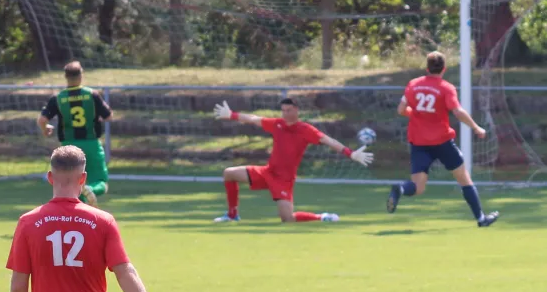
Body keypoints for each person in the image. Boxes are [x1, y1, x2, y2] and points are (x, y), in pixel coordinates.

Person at [6, 145, 151, 292]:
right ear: (83, 178)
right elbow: (125, 272)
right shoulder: (103, 221)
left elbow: (18, 285)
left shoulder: (28, 222)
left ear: (50, 177)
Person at [213, 98, 374, 223]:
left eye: (288, 110)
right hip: (267, 172)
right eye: (283, 110)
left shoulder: (306, 130)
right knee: (229, 173)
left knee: (287, 219)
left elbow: (329, 141)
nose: (285, 114)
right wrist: (231, 115)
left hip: (284, 180)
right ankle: (232, 215)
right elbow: (254, 119)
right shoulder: (277, 124)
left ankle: (321, 217)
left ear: (296, 110)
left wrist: (351, 153)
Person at [387, 51, 499, 227]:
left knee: (418, 188)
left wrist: (416, 114)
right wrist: (476, 127)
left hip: (419, 143)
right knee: (464, 179)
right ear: (444, 69)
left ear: (427, 68)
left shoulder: (413, 85)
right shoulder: (446, 88)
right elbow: (458, 111)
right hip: (442, 142)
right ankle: (480, 219)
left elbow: (401, 109)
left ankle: (400, 188)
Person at [37, 61, 112, 207]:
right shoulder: (91, 95)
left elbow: (42, 120)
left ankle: (79, 211)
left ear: (65, 77)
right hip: (91, 143)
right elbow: (108, 116)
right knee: (101, 183)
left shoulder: (58, 98)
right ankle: (90, 189)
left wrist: (45, 129)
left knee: (73, 184)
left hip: (68, 147)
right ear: (81, 75)